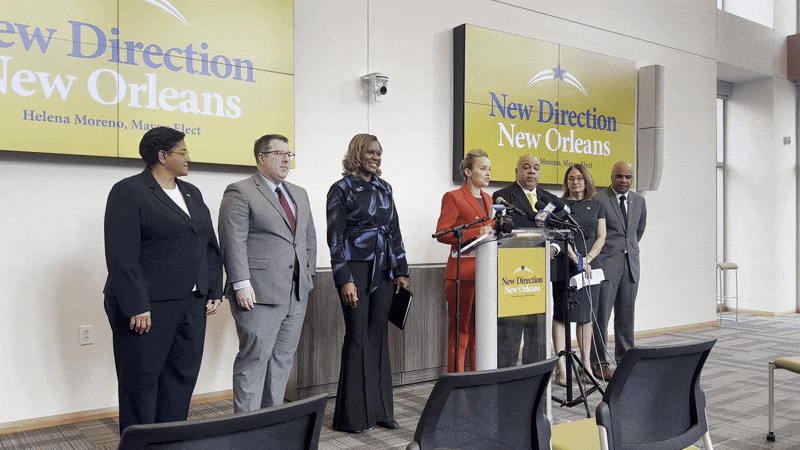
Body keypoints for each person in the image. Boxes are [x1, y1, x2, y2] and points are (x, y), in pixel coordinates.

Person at [103, 126, 223, 433]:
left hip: (192, 303)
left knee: (181, 378)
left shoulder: (192, 192)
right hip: (148, 307)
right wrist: (136, 305)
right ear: (162, 156)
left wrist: (214, 288)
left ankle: (170, 441)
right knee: (140, 383)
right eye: (183, 152)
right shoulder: (129, 191)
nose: (188, 157)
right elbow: (121, 255)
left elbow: (208, 244)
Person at [218, 134, 317, 412]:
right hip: (257, 294)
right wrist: (241, 283)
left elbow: (308, 238)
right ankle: (246, 427)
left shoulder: (299, 193)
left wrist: (308, 277)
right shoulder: (240, 191)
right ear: (261, 158)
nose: (286, 160)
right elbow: (232, 240)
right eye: (279, 154)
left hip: (296, 293)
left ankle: (271, 423)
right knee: (254, 361)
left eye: (289, 155)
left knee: (281, 361)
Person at [326, 134, 410, 433]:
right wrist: (344, 278)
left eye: (379, 153)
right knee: (358, 336)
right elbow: (334, 238)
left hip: (385, 268)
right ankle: (353, 417)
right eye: (370, 152)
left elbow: (394, 230)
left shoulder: (385, 188)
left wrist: (402, 270)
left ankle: (380, 411)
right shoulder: (341, 189)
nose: (375, 157)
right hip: (356, 269)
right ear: (357, 154)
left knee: (378, 336)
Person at [492, 154, 563, 367]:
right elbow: (501, 230)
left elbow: (559, 231)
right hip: (513, 273)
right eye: (526, 167)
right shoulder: (502, 196)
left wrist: (555, 248)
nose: (532, 171)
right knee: (510, 329)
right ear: (517, 172)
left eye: (536, 168)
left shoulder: (549, 199)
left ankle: (535, 375)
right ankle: (506, 377)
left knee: (536, 330)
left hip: (540, 271)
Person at [435, 149, 495, 373]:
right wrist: (477, 232)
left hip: (485, 274)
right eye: (483, 168)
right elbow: (442, 234)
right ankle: (457, 381)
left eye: (489, 169)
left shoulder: (489, 199)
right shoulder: (453, 197)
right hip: (462, 275)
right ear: (468, 172)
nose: (488, 173)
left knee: (481, 333)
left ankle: (479, 378)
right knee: (461, 332)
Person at [591, 161, 647, 381]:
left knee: (626, 318)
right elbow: (595, 233)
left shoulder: (639, 201)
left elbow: (638, 231)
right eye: (619, 176)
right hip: (606, 266)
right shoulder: (599, 199)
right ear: (612, 176)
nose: (624, 180)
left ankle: (625, 362)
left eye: (628, 177)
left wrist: (627, 250)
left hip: (630, 267)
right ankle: (599, 363)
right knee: (601, 317)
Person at [551, 164, 606, 386]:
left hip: (591, 266)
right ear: (567, 182)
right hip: (565, 263)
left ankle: (585, 367)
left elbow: (601, 236)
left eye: (580, 178)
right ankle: (562, 369)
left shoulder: (597, 205)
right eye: (571, 178)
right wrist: (577, 259)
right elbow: (557, 233)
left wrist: (588, 259)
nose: (576, 182)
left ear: (587, 181)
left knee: (586, 317)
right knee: (561, 315)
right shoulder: (558, 204)